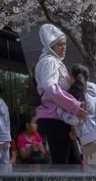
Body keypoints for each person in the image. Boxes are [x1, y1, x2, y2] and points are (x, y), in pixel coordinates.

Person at [34, 23, 85, 164]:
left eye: (65, 44)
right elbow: (50, 88)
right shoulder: (49, 62)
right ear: (51, 46)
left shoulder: (55, 62)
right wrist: (74, 106)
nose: (64, 48)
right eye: (59, 45)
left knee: (72, 162)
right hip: (54, 118)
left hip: (61, 118)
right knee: (63, 164)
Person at [59, 64, 96, 165]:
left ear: (71, 77)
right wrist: (74, 129)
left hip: (92, 139)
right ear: (88, 78)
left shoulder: (75, 93)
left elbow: (76, 118)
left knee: (94, 176)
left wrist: (60, 112)